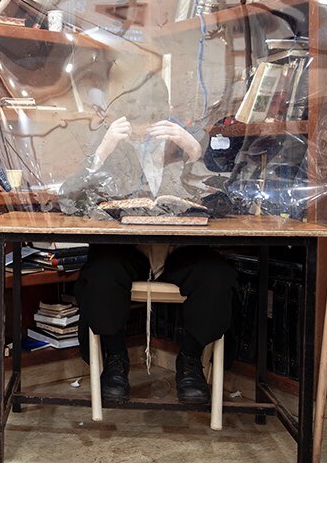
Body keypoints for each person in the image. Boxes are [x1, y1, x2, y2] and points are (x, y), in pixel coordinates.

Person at [64, 110, 238, 404]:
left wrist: (195, 151)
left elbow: (229, 201)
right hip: (127, 253)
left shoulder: (186, 156)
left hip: (181, 253)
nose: (148, 132)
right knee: (101, 274)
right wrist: (102, 150)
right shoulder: (115, 157)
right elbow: (68, 199)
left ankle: (190, 361)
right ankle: (116, 360)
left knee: (217, 276)